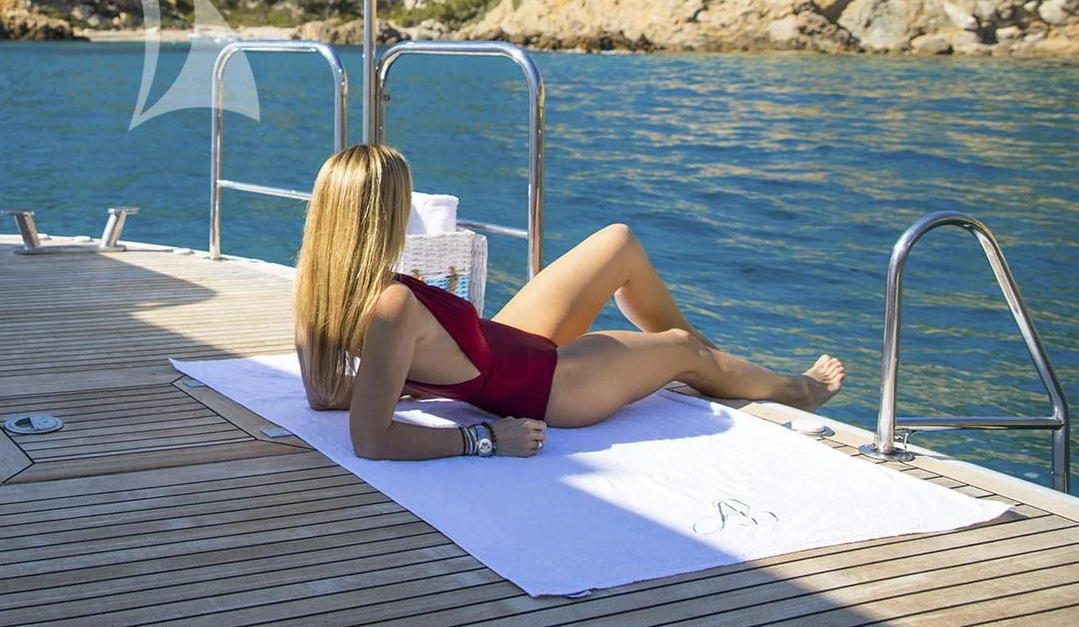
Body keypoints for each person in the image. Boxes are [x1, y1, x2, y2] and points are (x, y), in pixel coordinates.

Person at [293, 143, 845, 461]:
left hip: (496, 346)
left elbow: (323, 394)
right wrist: (484, 438)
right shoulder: (389, 307)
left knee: (618, 243)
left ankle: (715, 370)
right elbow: (370, 439)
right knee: (678, 347)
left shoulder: (319, 286)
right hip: (546, 386)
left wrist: (402, 379)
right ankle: (798, 389)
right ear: (382, 215)